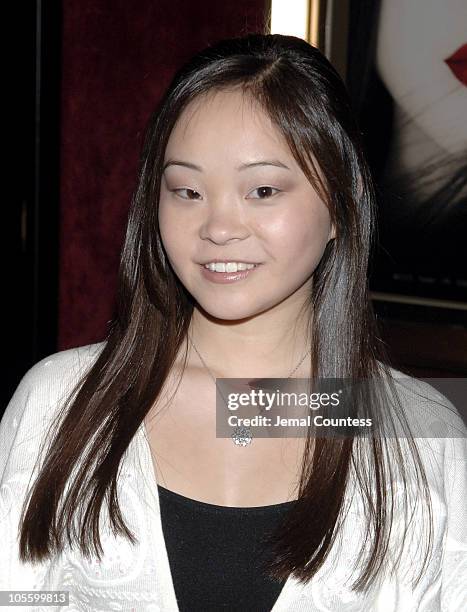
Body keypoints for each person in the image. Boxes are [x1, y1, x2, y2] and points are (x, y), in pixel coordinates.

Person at [0, 33, 466, 611]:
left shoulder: (421, 432)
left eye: (263, 189)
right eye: (187, 190)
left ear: (341, 207)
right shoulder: (61, 401)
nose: (219, 226)